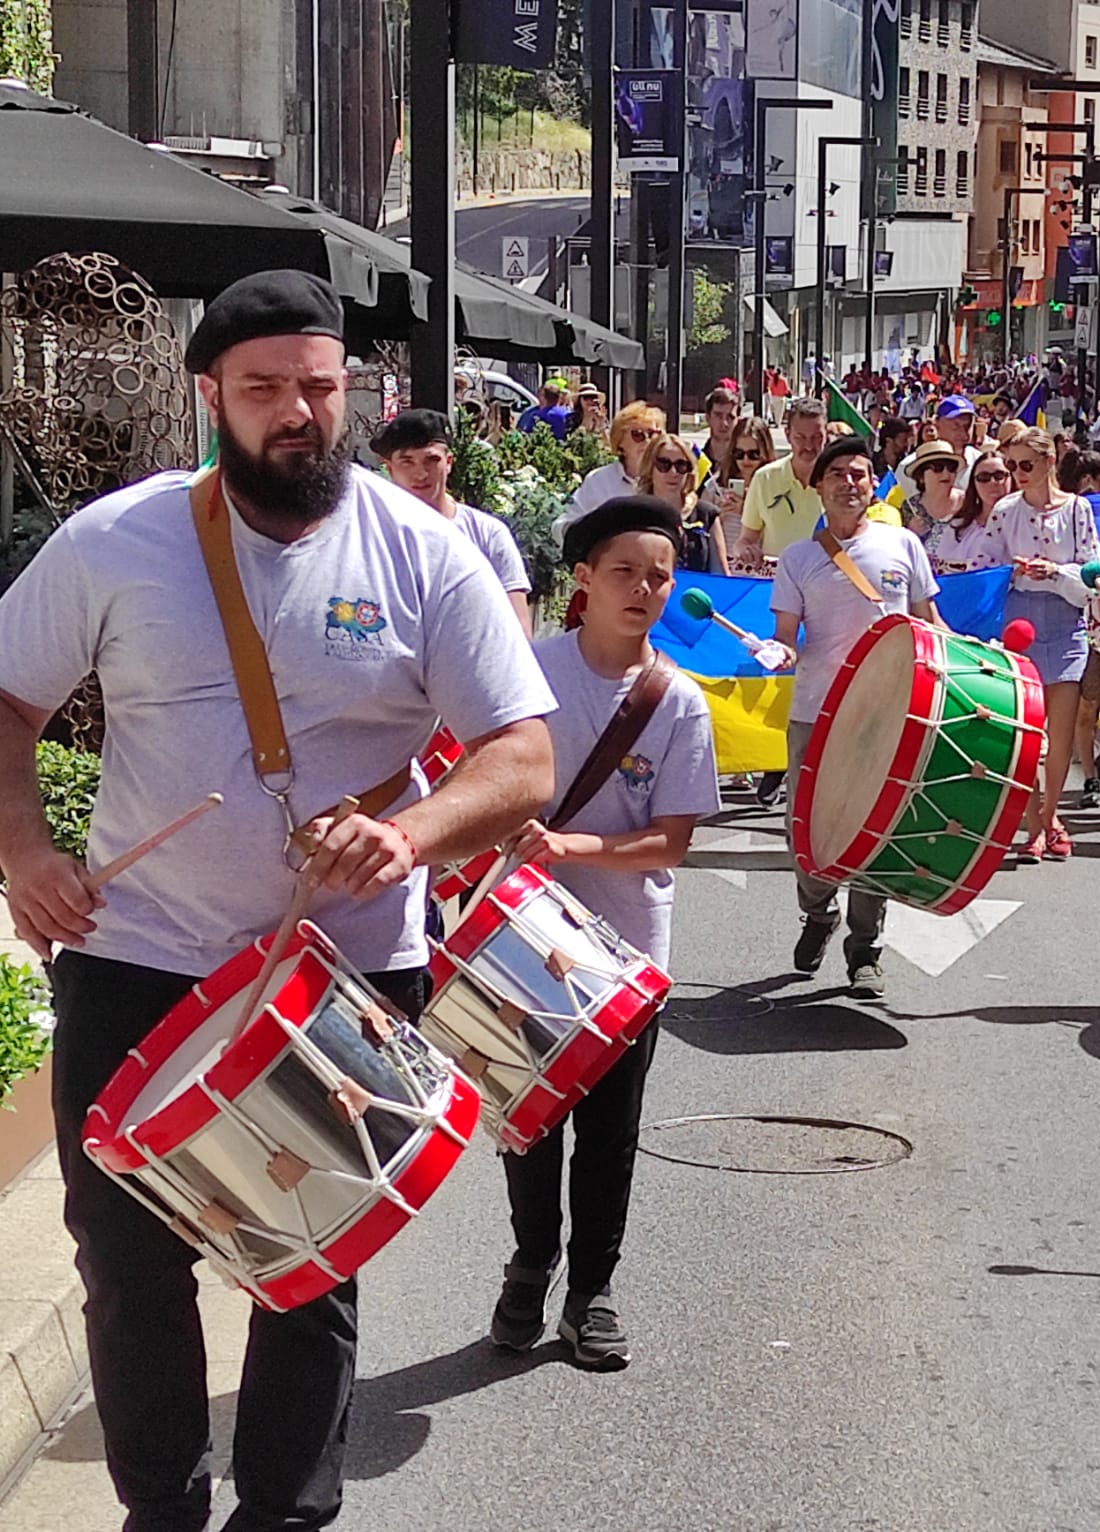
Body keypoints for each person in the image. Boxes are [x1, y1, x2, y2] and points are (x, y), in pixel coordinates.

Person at [0, 269, 557, 1532]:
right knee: (124, 1254)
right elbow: (7, 698)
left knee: (309, 1257)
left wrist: (410, 832)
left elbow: (521, 755)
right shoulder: (115, 540)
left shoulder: (425, 551)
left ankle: (284, 1514)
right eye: (265, 389)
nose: (299, 412)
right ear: (210, 394)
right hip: (141, 952)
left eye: (320, 386)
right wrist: (25, 847)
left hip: (343, 964)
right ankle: (159, 1506)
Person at [496, 496, 719, 1371]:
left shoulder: (679, 703)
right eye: (624, 570)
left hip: (625, 951)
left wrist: (570, 846)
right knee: (526, 1118)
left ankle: (591, 1291)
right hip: (521, 936)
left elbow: (670, 842)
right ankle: (529, 1263)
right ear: (583, 579)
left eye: (659, 575)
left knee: (609, 1132)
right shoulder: (524, 675)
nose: (643, 588)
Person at [766, 436, 942, 996]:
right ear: (818, 486)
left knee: (876, 827)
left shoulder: (903, 545)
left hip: (890, 713)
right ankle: (818, 913)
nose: (849, 483)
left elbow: (928, 621)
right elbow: (786, 636)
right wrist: (779, 653)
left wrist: (972, 658)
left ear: (873, 485)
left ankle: (865, 948)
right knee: (806, 830)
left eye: (860, 474)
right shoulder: (797, 559)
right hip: (816, 711)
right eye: (837, 473)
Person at [985, 426, 1100, 861]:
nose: (1017, 473)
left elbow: (1094, 570)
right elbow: (987, 566)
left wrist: (1055, 573)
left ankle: (1050, 815)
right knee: (1026, 733)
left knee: (1060, 732)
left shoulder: (1077, 509)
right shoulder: (1005, 510)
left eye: (1025, 464)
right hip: (1020, 623)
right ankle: (1035, 827)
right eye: (1011, 465)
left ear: (1049, 462)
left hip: (1066, 622)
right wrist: (1013, 571)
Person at [369, 407, 534, 635]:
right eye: (407, 462)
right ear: (389, 468)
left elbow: (519, 630)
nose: (421, 474)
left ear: (448, 462)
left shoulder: (487, 534)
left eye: (431, 460)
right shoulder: (373, 536)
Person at [738, 397, 829, 561]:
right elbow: (745, 539)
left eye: (816, 437)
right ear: (788, 435)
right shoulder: (764, 478)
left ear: (826, 434)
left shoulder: (839, 481)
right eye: (800, 437)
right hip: (778, 575)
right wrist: (746, 550)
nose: (809, 446)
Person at [634, 431, 717, 573]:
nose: (673, 472)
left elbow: (720, 574)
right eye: (663, 464)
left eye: (681, 465)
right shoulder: (634, 514)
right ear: (649, 467)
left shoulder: (706, 514)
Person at [702, 415, 776, 572]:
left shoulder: (773, 486)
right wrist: (717, 518)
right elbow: (701, 531)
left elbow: (778, 533)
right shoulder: (716, 486)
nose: (745, 460)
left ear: (765, 452)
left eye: (754, 454)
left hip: (761, 568)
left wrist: (748, 512)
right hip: (724, 567)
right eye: (739, 454)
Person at [570, 401, 666, 519]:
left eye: (653, 434)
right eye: (638, 434)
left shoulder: (670, 478)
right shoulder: (599, 480)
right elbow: (569, 520)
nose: (647, 441)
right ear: (620, 441)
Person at [899, 438, 963, 546]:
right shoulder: (910, 506)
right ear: (921, 476)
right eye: (938, 468)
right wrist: (910, 533)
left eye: (951, 467)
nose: (946, 474)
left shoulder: (968, 503)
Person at [934, 394, 981, 469]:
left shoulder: (980, 462)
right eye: (956, 426)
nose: (963, 433)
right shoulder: (919, 463)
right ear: (937, 424)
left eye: (968, 426)